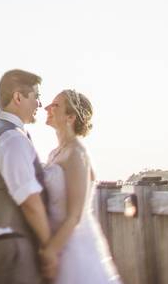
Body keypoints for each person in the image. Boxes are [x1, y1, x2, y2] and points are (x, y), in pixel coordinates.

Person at [0, 69, 56, 284]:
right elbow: (29, 201)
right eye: (36, 96)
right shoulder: (12, 138)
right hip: (10, 247)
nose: (39, 104)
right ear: (18, 97)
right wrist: (49, 247)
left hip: (0, 244)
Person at [40, 89, 122, 283]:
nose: (47, 108)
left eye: (55, 105)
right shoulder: (54, 154)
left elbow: (75, 215)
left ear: (70, 117)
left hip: (74, 248)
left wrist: (51, 251)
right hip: (55, 239)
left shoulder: (77, 153)